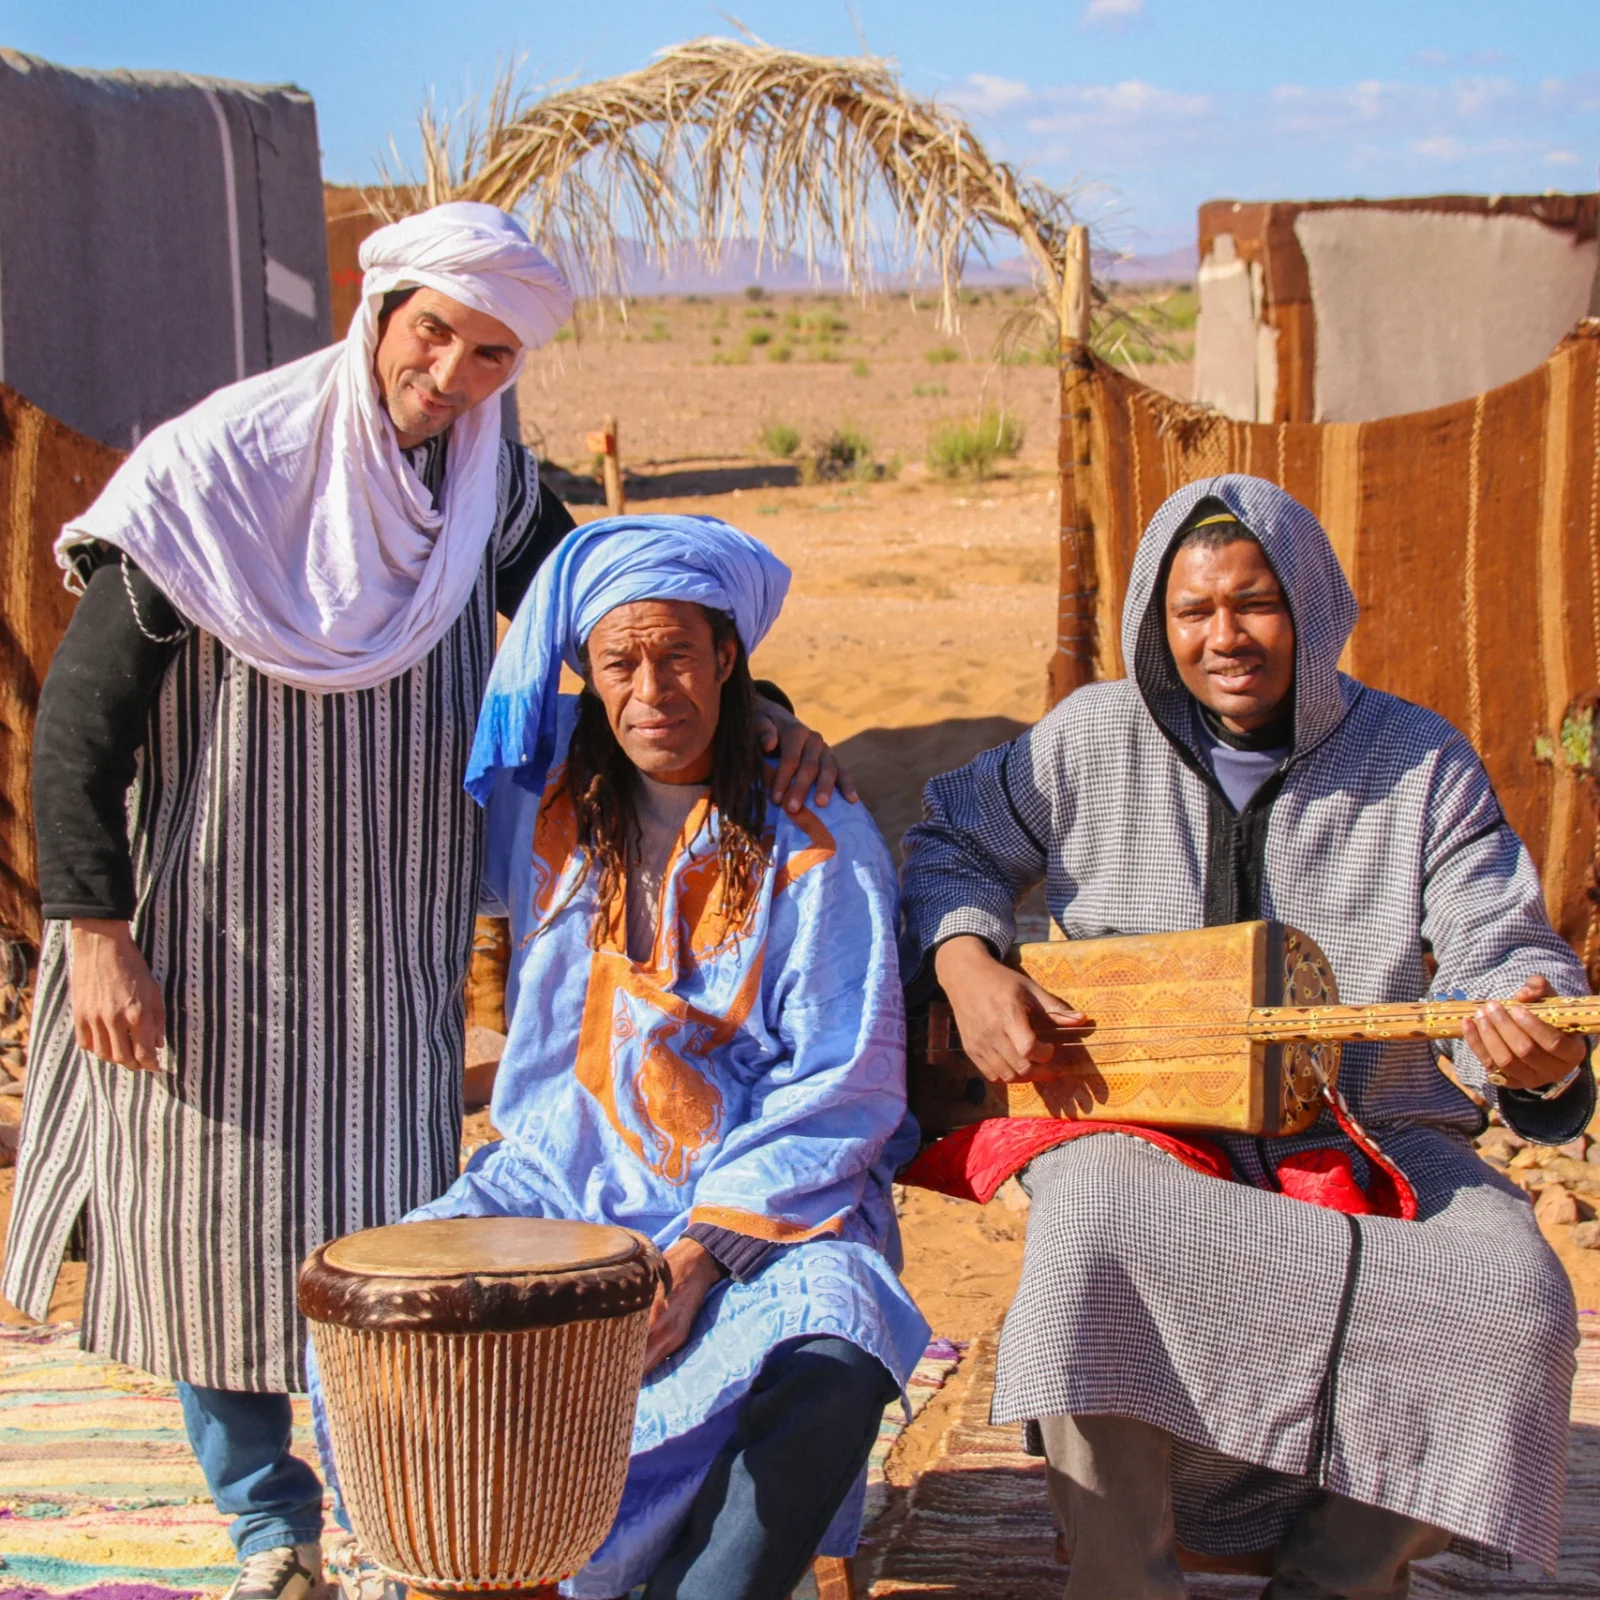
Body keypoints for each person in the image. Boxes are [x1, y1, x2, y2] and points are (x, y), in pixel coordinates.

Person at [7, 204, 849, 1600]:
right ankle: (273, 1530)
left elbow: (602, 604)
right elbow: (82, 722)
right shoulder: (221, 470)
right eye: (435, 333)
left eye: (491, 353)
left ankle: (412, 1511)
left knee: (400, 1233)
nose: (452, 374)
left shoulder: (484, 483)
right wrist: (94, 928)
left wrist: (763, 717)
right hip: (210, 929)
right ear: (381, 308)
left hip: (387, 931)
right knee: (220, 1231)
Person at [899, 475, 1593, 1600]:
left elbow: (1494, 939)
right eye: (1192, 610)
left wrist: (1525, 1029)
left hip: (1366, 1123)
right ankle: (1123, 1581)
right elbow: (948, 842)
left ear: (1311, 606)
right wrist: (967, 959)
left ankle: (1333, 1579)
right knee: (1092, 1231)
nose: (1223, 636)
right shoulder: (1089, 739)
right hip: (1141, 1118)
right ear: (1155, 622)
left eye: (1255, 602)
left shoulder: (1415, 761)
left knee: (1512, 1293)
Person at [312, 513, 928, 1600]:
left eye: (678, 654)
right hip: (554, 1176)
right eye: (620, 662)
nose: (652, 690)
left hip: (762, 1202)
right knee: (391, 1317)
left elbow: (842, 1085)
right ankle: (489, 1567)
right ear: (586, 677)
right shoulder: (547, 805)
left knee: (838, 1342)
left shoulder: (813, 835)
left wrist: (699, 1258)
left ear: (728, 656)